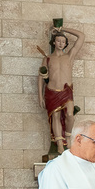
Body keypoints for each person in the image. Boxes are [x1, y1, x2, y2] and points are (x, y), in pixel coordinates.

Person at [38, 26, 85, 155]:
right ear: (54, 42)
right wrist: (40, 96)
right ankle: (59, 143)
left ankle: (68, 137)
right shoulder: (47, 58)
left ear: (65, 44)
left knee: (70, 115)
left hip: (66, 91)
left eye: (63, 41)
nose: (60, 43)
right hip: (51, 91)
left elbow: (81, 36)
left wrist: (63, 29)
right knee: (56, 116)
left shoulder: (69, 56)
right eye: (58, 41)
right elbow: (41, 77)